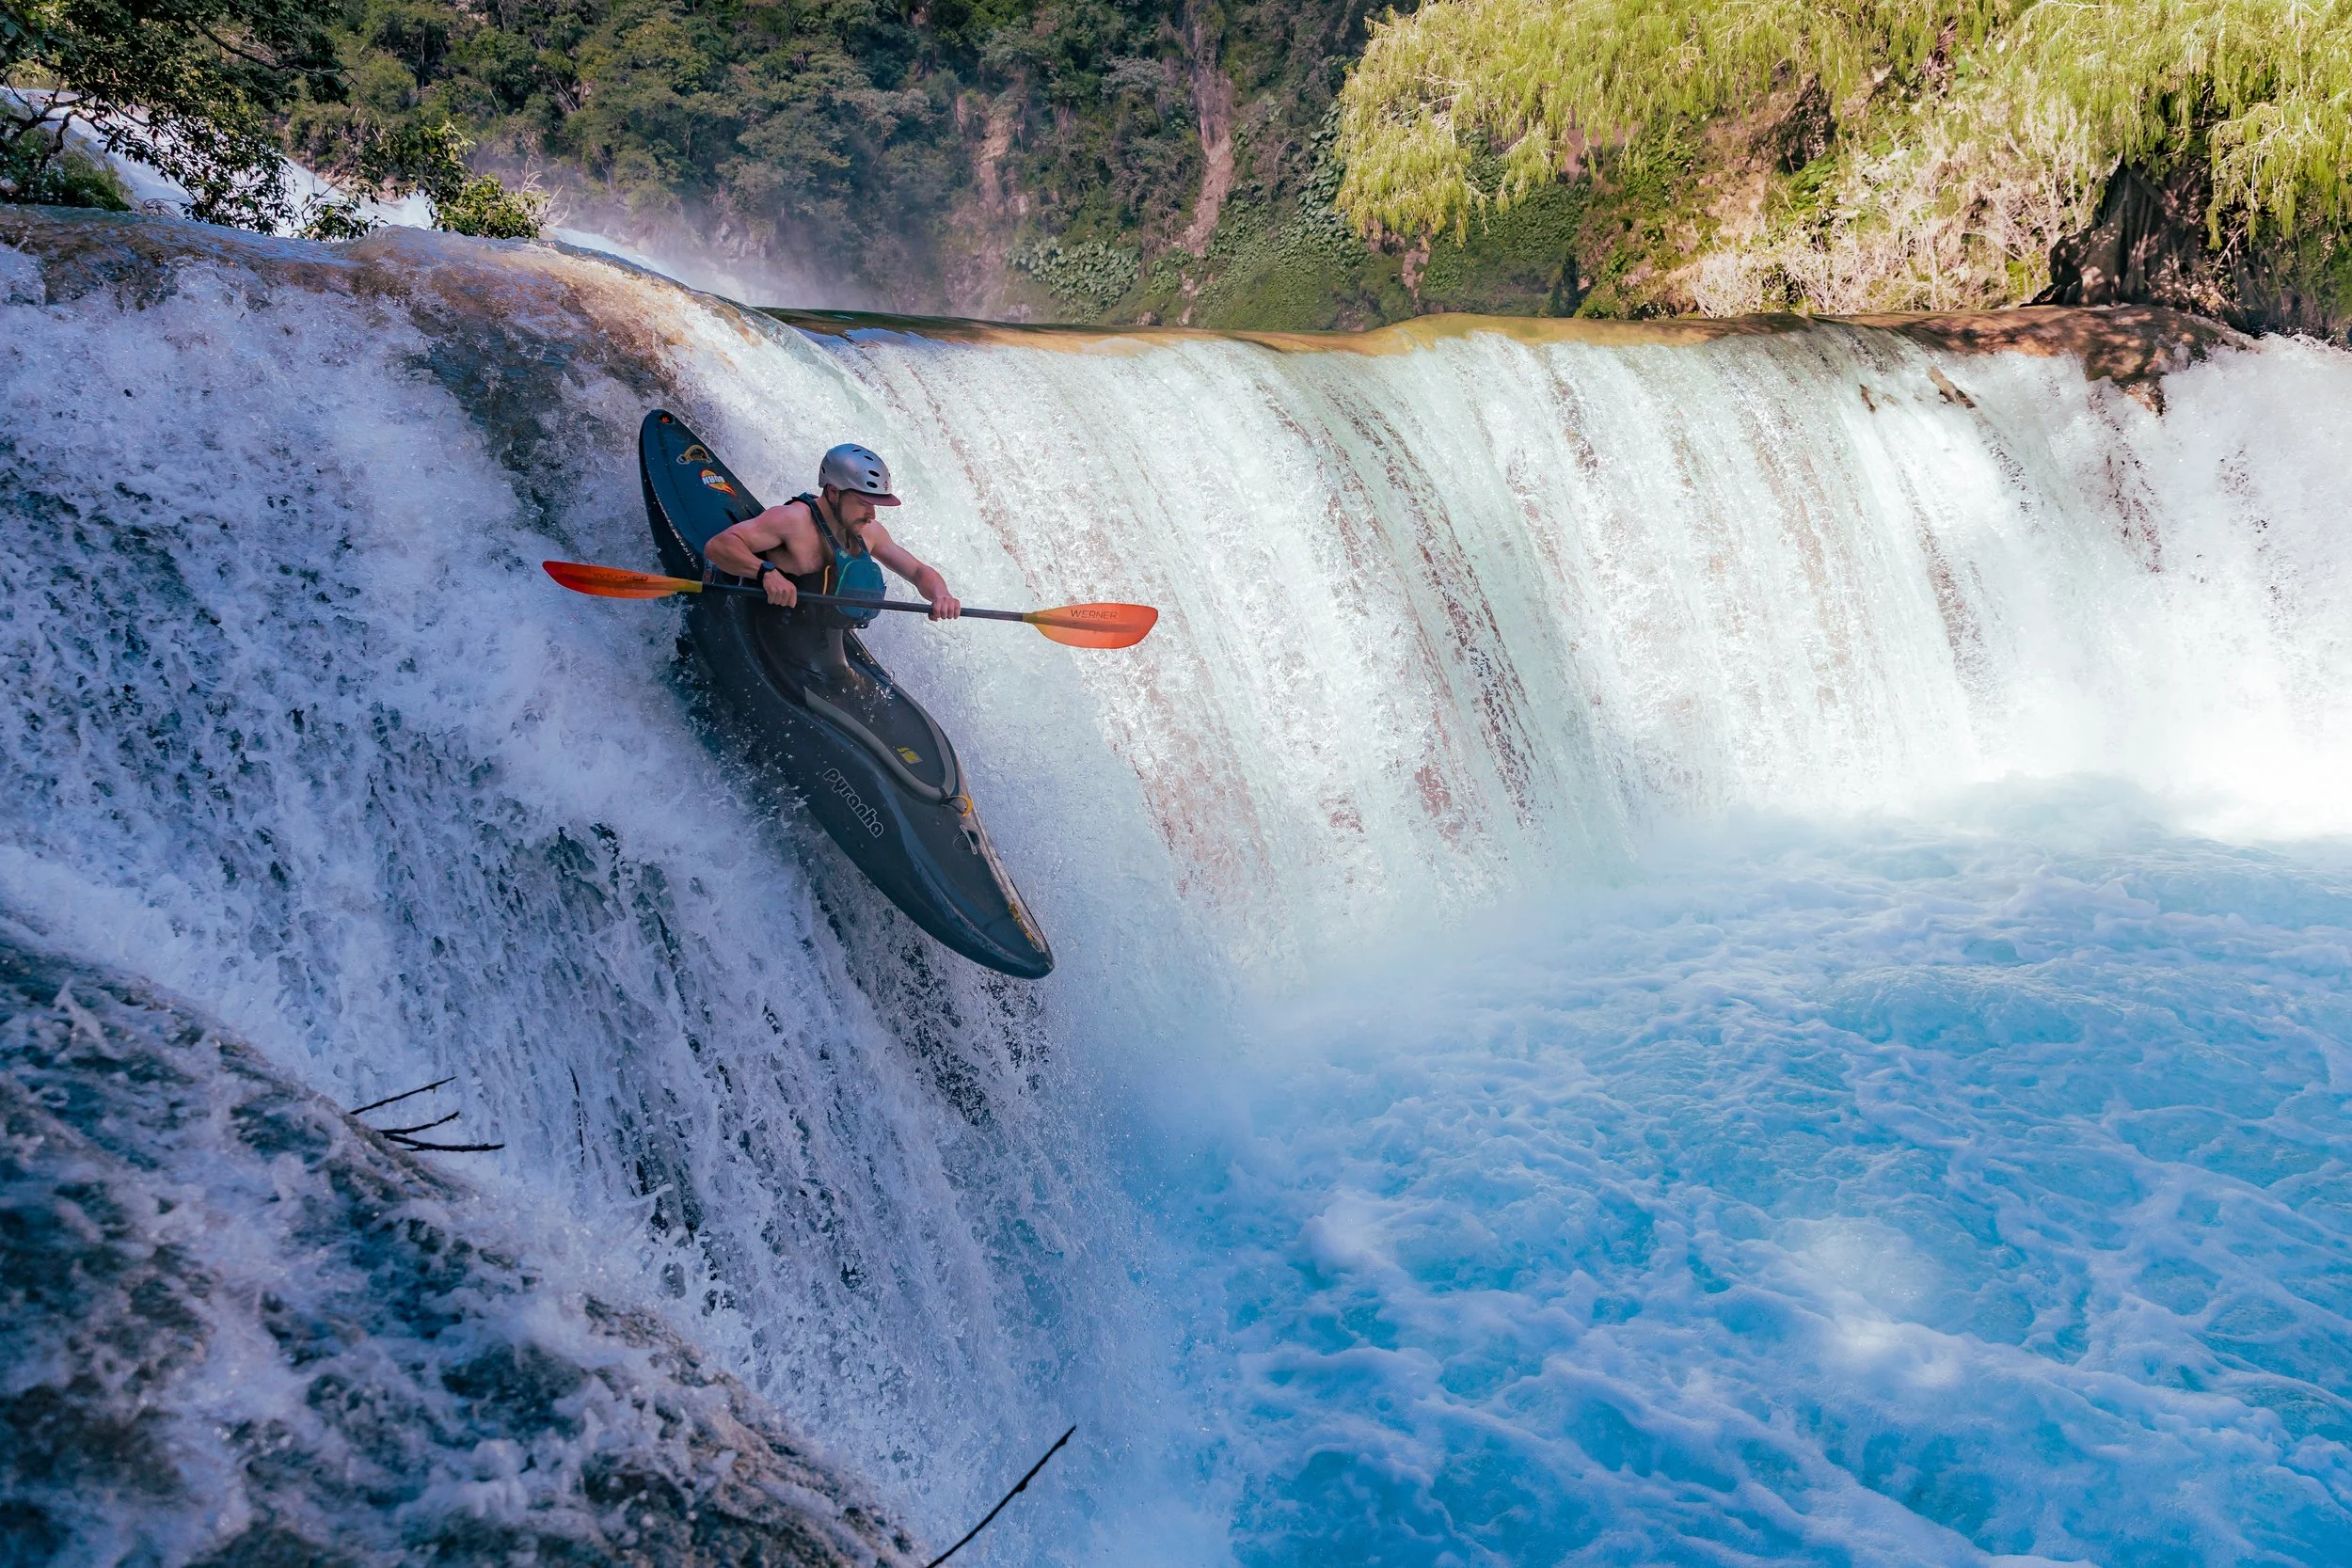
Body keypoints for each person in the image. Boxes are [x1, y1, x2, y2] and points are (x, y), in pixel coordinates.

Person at [702, 443, 962, 621]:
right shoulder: (792, 520)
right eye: (863, 503)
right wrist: (765, 572)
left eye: (875, 504)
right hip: (770, 631)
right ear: (834, 492)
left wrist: (942, 595)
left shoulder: (868, 533)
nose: (872, 514)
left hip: (824, 644)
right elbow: (719, 546)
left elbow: (918, 571)